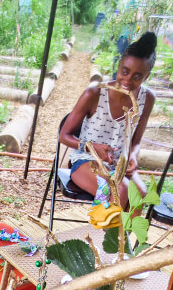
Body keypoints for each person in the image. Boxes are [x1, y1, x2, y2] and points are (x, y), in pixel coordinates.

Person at [60, 31, 156, 209]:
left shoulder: (147, 98)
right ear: (118, 66)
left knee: (142, 194)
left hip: (120, 165)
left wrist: (132, 157)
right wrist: (92, 146)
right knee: (121, 189)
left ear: (146, 76)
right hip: (85, 160)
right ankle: (109, 236)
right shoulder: (95, 92)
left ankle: (124, 236)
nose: (127, 80)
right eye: (124, 72)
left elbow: (136, 142)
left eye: (137, 77)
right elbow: (63, 136)